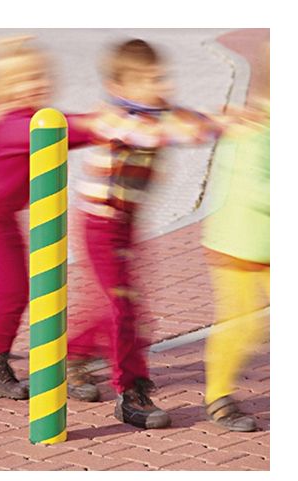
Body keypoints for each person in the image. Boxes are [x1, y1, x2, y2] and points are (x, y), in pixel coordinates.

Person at [67, 38, 229, 429]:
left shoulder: (159, 112)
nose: (159, 86)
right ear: (120, 86)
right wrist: (198, 129)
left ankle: (71, 356)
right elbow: (150, 134)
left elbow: (193, 121)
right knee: (125, 307)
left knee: (116, 302)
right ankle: (131, 392)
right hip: (100, 224)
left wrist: (228, 121)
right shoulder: (115, 117)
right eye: (147, 80)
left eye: (160, 77)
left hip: (126, 224)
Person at [0, 36, 91, 400]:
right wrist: (105, 124)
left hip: (3, 217)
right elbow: (65, 131)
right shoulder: (10, 123)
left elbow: (69, 131)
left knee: (12, 290)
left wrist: (108, 124)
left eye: (39, 75)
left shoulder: (38, 118)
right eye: (22, 79)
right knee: (9, 291)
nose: (35, 84)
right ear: (3, 88)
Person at [201, 42, 270, 432]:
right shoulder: (253, 132)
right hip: (238, 246)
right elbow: (254, 189)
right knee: (242, 324)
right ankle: (218, 395)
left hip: (269, 246)